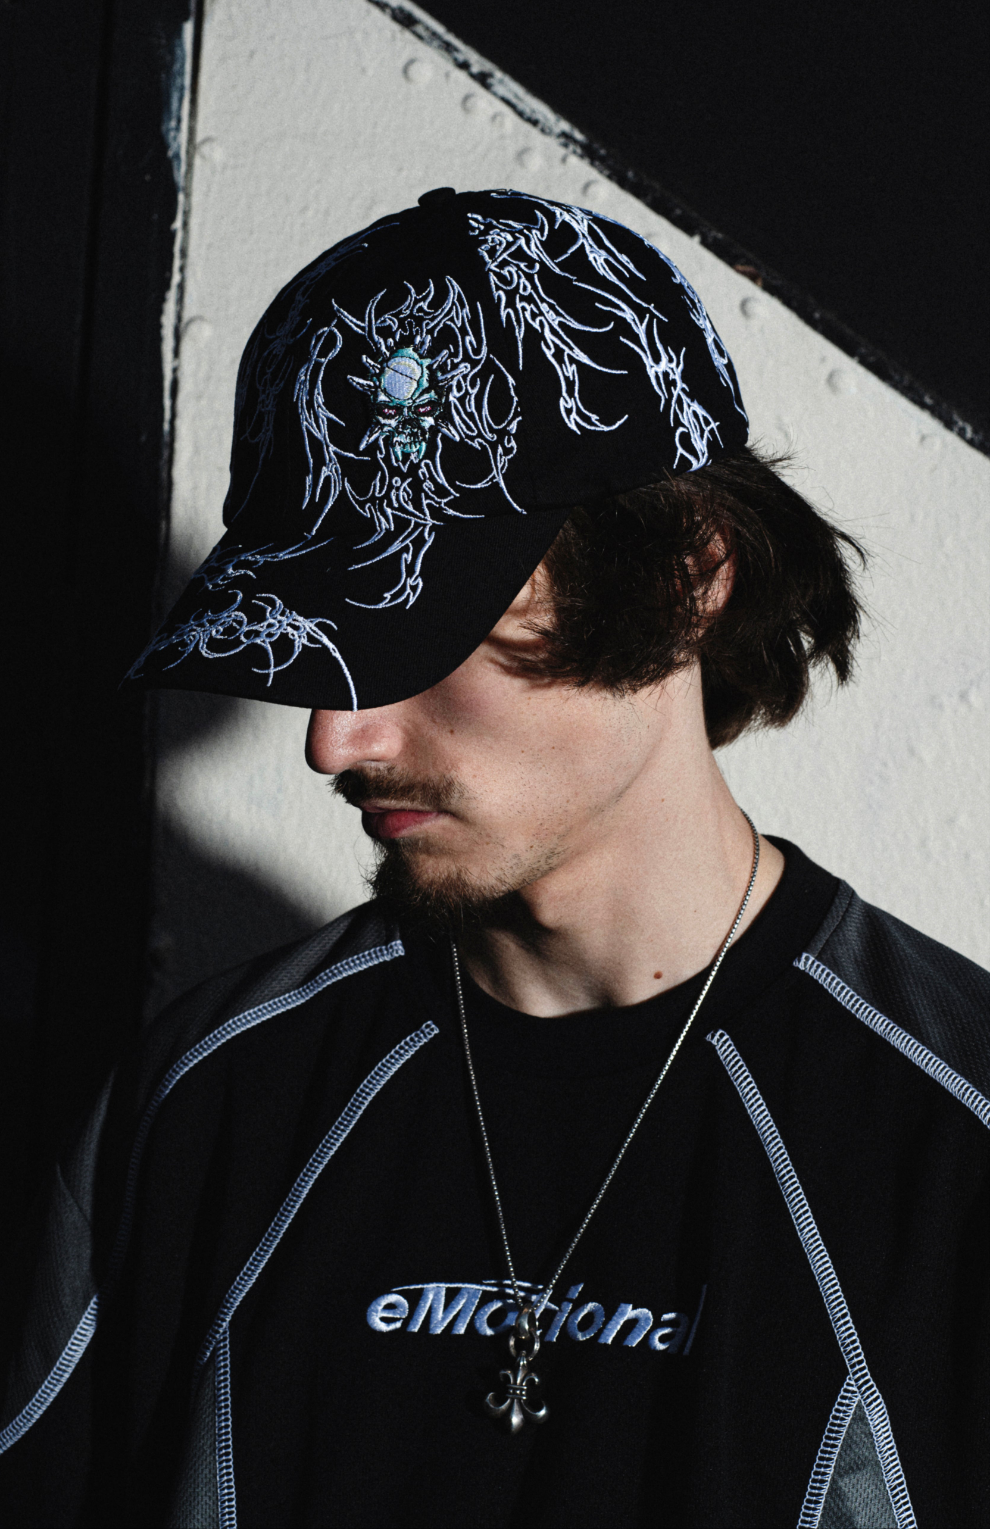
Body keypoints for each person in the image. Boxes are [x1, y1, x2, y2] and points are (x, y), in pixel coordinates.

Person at [1, 188, 986, 1529]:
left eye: (414, 630)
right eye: (312, 645)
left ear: (687, 580)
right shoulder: (207, 1102)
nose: (333, 739)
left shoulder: (946, 1144)